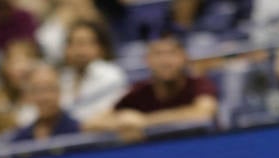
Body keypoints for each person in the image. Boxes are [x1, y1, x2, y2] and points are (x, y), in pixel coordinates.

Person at [86, 34, 218, 139]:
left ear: (184, 58)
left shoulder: (198, 83)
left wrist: (145, 122)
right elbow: (91, 124)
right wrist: (122, 122)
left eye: (172, 54)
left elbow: (203, 112)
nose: (165, 61)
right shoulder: (140, 91)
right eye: (158, 54)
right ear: (147, 60)